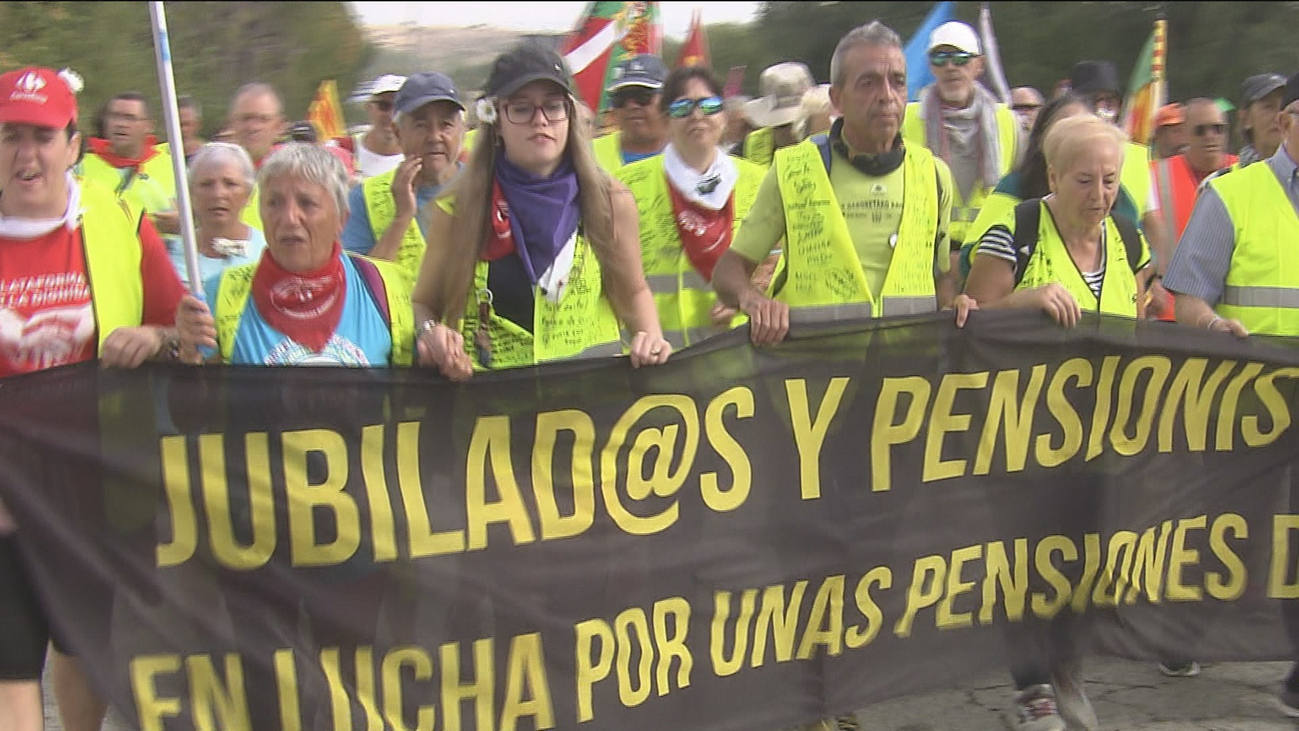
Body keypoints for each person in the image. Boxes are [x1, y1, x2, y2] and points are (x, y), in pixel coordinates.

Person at [0, 66, 187, 731]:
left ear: (74, 144)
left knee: (80, 649)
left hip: (94, 486)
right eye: (10, 135)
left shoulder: (115, 219)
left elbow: (183, 334)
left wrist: (153, 336)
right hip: (5, 493)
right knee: (10, 663)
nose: (27, 154)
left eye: (43, 136)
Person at [964, 115, 1151, 731]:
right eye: (1083, 181)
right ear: (1050, 176)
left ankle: (1068, 670)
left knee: (1092, 560)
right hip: (1021, 430)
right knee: (1026, 559)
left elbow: (1139, 321)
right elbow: (967, 317)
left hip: (1105, 434)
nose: (1098, 195)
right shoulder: (1012, 232)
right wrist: (1026, 298)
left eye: (1108, 181)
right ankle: (1032, 689)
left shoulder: (1126, 241)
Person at [412, 40, 670, 378]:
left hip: (591, 412)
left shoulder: (612, 202)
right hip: (491, 417)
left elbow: (634, 290)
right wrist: (432, 332)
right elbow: (423, 304)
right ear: (496, 120)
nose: (540, 121)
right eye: (521, 109)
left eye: (553, 106)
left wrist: (650, 337)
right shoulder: (457, 209)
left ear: (569, 115)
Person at [1163, 74, 1299, 717]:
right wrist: (1213, 326)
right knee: (1231, 531)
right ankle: (1183, 628)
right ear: (1286, 123)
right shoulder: (1235, 196)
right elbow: (1184, 294)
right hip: (1249, 401)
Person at [714, 22, 956, 346]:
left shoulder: (934, 174)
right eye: (868, 83)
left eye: (897, 82)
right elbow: (729, 271)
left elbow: (942, 280)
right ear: (837, 99)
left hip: (904, 378)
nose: (886, 96)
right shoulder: (792, 170)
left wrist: (958, 303)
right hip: (817, 381)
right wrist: (754, 301)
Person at [176, 143, 413, 366]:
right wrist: (189, 357)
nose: (289, 218)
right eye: (274, 203)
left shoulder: (386, 288)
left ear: (341, 219)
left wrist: (437, 340)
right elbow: (199, 404)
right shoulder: (218, 295)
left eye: (307, 203)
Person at [615, 65, 768, 349]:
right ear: (665, 119)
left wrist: (750, 291)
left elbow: (778, 259)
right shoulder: (627, 186)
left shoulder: (759, 181)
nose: (697, 115)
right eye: (682, 107)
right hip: (658, 360)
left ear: (724, 115)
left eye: (709, 105)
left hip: (739, 357)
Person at [902, 21, 1019, 272]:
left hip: (992, 255)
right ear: (930, 65)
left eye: (960, 58)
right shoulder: (906, 120)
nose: (950, 67)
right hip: (926, 257)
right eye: (940, 58)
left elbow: (1023, 190)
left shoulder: (1008, 122)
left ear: (979, 65)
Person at [341, 72, 465, 285]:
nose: (435, 136)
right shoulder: (364, 199)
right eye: (421, 125)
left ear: (461, 131)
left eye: (445, 125)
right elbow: (358, 290)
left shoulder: (489, 188)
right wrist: (401, 218)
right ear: (398, 133)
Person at [1069, 60, 1172, 313]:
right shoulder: (1059, 152)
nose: (1102, 110)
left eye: (1109, 101)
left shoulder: (1136, 156)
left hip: (1129, 278)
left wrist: (1159, 279)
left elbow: (1153, 223)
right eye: (1094, 100)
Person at [1150, 98, 1237, 285]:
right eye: (1200, 130)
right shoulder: (1156, 174)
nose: (1210, 136)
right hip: (1171, 301)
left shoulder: (1246, 171)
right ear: (1185, 134)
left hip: (1232, 299)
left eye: (1218, 129)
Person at [79, 91, 180, 239]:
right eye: (114, 117)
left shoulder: (173, 166)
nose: (121, 124)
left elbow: (202, 217)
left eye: (130, 118)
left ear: (149, 126)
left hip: (161, 255)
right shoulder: (80, 166)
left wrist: (183, 222)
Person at [167, 142, 267, 289]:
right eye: (206, 184)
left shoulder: (268, 253)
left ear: (249, 194)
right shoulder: (169, 254)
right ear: (191, 194)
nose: (218, 194)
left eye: (230, 184)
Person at [592, 54, 670, 173]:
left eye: (642, 96)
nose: (631, 105)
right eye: (621, 98)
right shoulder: (589, 155)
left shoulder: (692, 152)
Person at [228, 82, 287, 230]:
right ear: (232, 123)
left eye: (263, 119)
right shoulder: (211, 178)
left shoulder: (295, 177)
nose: (253, 127)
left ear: (279, 126)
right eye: (246, 118)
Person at [740, 62, 814, 167]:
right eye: (782, 126)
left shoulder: (836, 136)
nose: (792, 132)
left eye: (801, 122)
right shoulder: (754, 143)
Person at [354, 73, 407, 179]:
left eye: (401, 106)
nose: (392, 115)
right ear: (369, 107)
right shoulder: (344, 150)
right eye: (384, 106)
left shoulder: (424, 159)